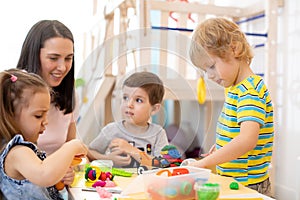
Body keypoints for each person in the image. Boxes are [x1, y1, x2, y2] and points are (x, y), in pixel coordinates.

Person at [189, 17, 274, 196]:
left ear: (233, 49)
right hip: (236, 180)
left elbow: (246, 140)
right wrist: (221, 146)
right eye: (205, 70)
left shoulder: (250, 91)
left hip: (249, 185)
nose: (209, 76)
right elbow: (236, 132)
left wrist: (205, 162)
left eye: (211, 66)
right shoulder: (236, 89)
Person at [0, 69, 87, 200]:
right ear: (10, 115)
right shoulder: (16, 152)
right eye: (38, 115)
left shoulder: (26, 150)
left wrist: (59, 178)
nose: (45, 121)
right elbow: (44, 174)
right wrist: (72, 146)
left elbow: (43, 179)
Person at [16, 20, 77, 186]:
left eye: (68, 59)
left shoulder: (67, 95)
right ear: (34, 55)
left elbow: (71, 152)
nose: (62, 67)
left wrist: (67, 171)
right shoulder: (13, 94)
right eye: (53, 58)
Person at [88, 71, 169, 167]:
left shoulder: (158, 134)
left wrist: (131, 149)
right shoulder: (111, 130)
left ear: (154, 109)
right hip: (116, 182)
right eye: (125, 97)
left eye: (138, 100)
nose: (129, 104)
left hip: (146, 182)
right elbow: (89, 152)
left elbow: (163, 164)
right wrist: (109, 159)